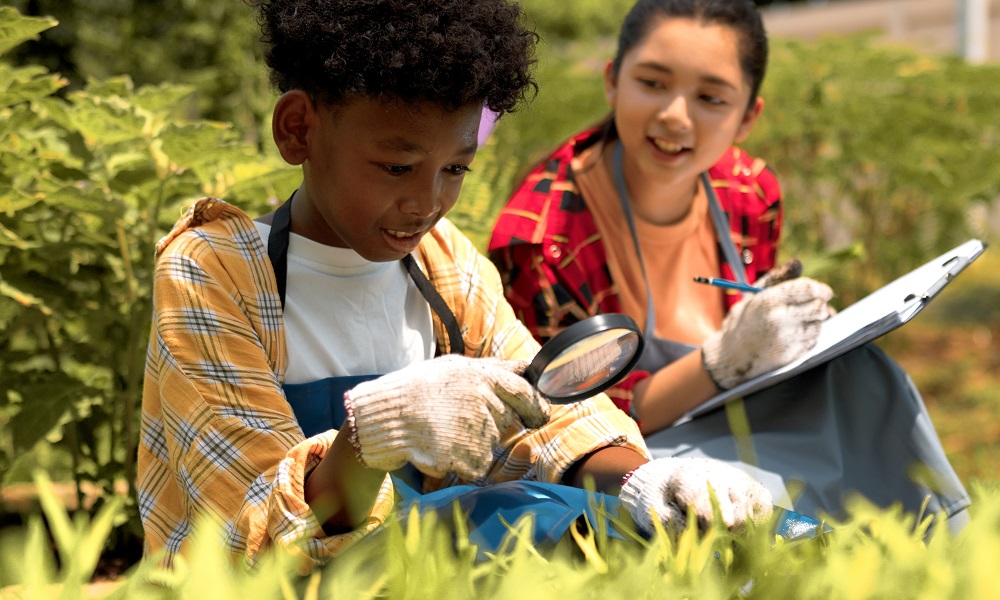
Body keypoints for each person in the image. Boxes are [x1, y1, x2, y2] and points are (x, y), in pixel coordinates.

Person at [136, 0, 775, 573]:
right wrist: (377, 434)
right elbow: (256, 530)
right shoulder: (214, 271)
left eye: (455, 168)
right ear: (299, 129)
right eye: (397, 166)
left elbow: (548, 415)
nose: (427, 202)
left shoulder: (445, 264)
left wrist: (648, 484)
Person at [488, 0, 970, 529]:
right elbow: (568, 424)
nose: (675, 115)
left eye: (711, 98)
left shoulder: (749, 191)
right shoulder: (542, 237)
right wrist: (723, 359)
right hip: (633, 456)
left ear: (747, 117)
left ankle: (937, 533)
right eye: (651, 83)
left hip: (730, 410)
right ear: (612, 82)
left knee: (862, 373)